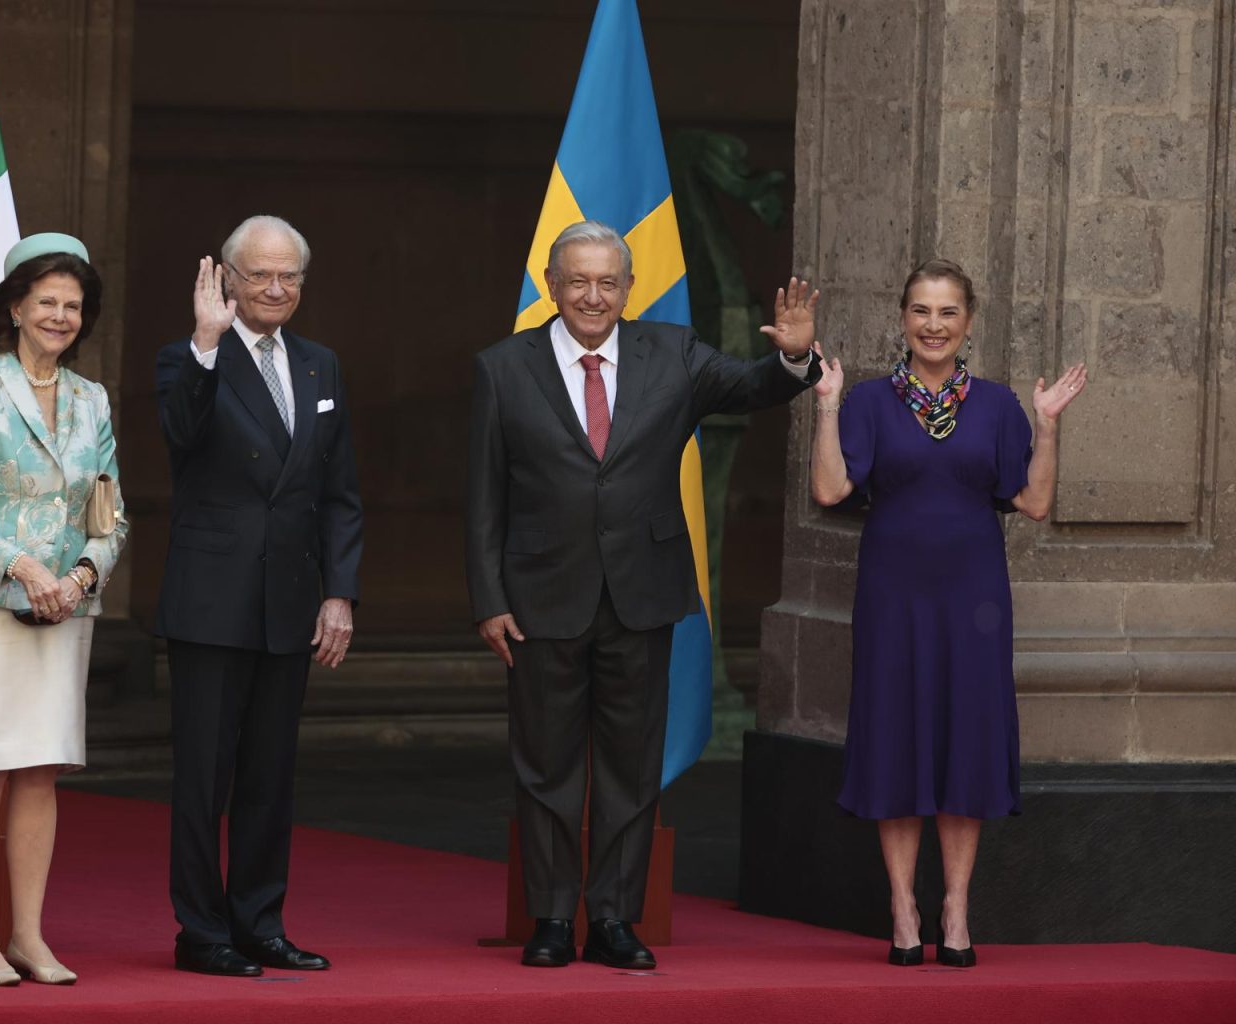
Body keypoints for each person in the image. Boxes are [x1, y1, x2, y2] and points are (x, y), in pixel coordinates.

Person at [465, 219, 820, 970]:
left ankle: (616, 919)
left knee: (632, 765)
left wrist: (791, 356)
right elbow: (484, 498)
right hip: (539, 597)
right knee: (545, 767)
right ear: (553, 286)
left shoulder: (674, 353)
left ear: (629, 289)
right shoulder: (503, 367)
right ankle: (554, 919)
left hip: (643, 594)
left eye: (609, 282)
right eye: (579, 281)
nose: (594, 295)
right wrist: (488, 596)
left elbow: (754, 387)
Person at [809, 258, 1087, 968]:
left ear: (968, 324)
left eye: (948, 313)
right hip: (893, 595)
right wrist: (827, 404)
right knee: (897, 737)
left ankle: (956, 907)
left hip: (974, 599)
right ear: (903, 319)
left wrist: (1047, 425)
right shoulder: (870, 401)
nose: (934, 326)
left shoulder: (995, 406)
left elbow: (1034, 502)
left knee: (966, 738)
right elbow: (833, 489)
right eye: (921, 312)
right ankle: (903, 907)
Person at [155, 215, 362, 978]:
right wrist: (207, 346)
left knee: (271, 777)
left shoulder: (320, 365)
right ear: (227, 281)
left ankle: (260, 924)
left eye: (290, 277)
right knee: (204, 778)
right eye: (260, 276)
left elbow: (339, 494)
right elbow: (180, 435)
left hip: (290, 599)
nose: (276, 289)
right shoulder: (187, 357)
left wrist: (339, 594)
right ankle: (201, 932)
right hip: (212, 599)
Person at [0, 232, 129, 986]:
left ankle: (28, 935)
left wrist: (81, 576)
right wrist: (23, 570)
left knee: (42, 769)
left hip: (67, 607)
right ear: (15, 307)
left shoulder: (92, 399)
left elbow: (109, 513)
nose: (59, 316)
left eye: (72, 305)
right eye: (45, 301)